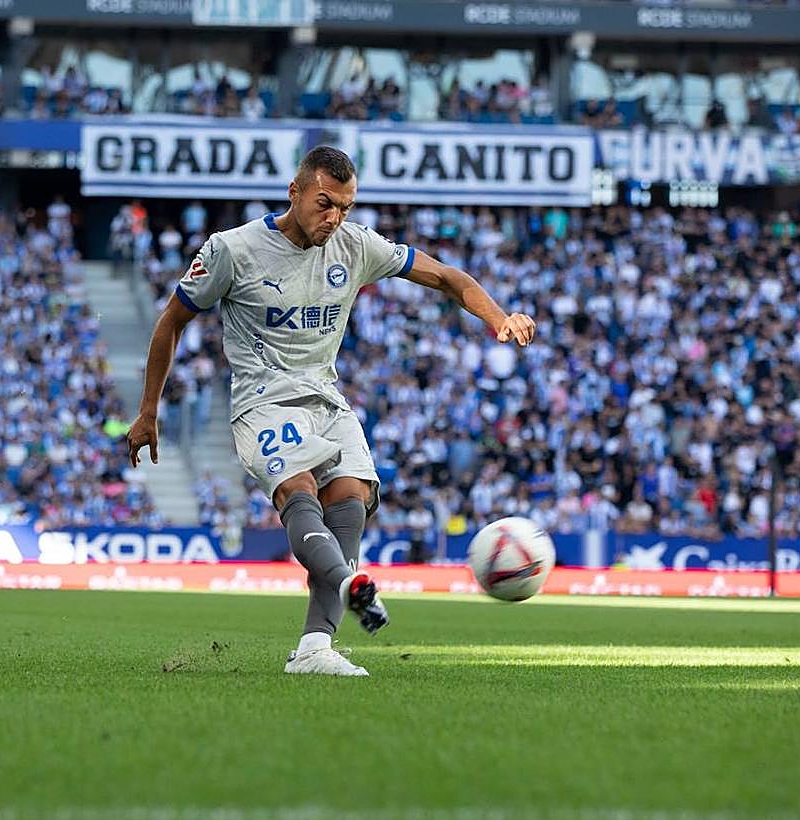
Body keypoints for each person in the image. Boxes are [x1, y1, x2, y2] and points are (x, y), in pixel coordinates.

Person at [126, 146, 536, 677]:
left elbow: (446, 277)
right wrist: (148, 411)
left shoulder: (354, 245)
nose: (334, 217)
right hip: (263, 402)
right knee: (299, 493)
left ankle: (315, 648)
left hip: (326, 398)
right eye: (324, 204)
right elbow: (171, 321)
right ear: (294, 192)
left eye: (344, 206)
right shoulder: (232, 250)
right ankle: (348, 585)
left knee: (352, 498)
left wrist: (497, 318)